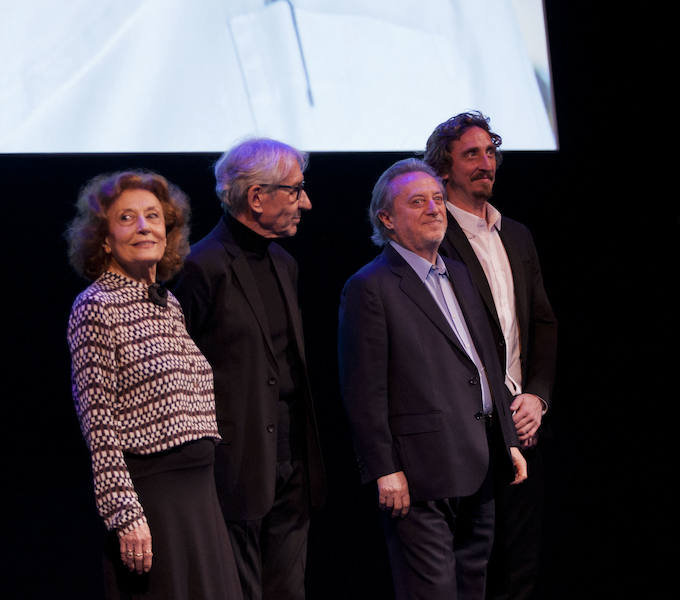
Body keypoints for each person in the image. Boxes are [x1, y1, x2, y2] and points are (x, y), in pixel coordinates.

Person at [338, 158, 528, 600]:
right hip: (420, 474)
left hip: (478, 461)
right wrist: (384, 467)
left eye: (438, 199)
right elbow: (363, 389)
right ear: (386, 218)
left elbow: (485, 360)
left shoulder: (459, 272)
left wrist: (509, 441)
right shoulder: (370, 286)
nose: (434, 209)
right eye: (417, 201)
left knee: (472, 587)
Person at [65, 170, 241, 599]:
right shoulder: (95, 308)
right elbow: (99, 426)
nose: (145, 226)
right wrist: (125, 514)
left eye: (153, 216)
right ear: (104, 239)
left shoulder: (168, 303)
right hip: (154, 502)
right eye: (127, 218)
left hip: (199, 499)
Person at [172, 138, 326, 599]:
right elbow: (183, 370)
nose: (307, 202)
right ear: (257, 197)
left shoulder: (285, 262)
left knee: (288, 590)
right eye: (296, 190)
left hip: (292, 460)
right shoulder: (201, 266)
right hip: (235, 465)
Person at [425, 111, 557, 600]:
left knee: (520, 563)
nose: (486, 163)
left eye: (490, 152)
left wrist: (538, 398)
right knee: (473, 563)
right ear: (444, 169)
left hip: (525, 422)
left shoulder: (515, 234)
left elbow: (542, 323)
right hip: (472, 426)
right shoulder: (436, 241)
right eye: (471, 154)